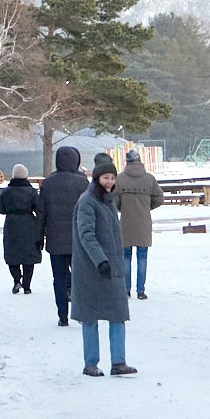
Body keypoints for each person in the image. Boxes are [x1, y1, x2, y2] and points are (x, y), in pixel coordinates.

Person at [71, 157, 136, 376]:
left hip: (112, 268)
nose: (109, 182)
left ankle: (119, 362)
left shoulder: (108, 200)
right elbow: (86, 234)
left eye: (112, 178)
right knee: (90, 316)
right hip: (92, 268)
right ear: (96, 178)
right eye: (105, 178)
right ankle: (90, 363)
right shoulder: (88, 201)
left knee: (117, 314)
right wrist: (100, 260)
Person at [39, 145, 89, 327]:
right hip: (79, 239)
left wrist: (39, 238)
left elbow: (41, 213)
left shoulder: (49, 183)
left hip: (55, 239)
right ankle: (82, 313)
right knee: (80, 277)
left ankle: (62, 315)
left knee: (58, 278)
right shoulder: (83, 183)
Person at [116, 149, 161, 298]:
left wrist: (122, 208)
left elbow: (114, 201)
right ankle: (141, 291)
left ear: (126, 162)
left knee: (126, 257)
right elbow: (159, 198)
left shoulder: (120, 179)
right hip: (143, 223)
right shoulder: (149, 179)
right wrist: (146, 207)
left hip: (126, 224)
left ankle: (126, 289)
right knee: (142, 257)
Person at [0, 164, 43, 295]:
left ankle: (17, 280)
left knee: (13, 254)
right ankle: (27, 286)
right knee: (29, 256)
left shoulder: (6, 191)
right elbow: (38, 208)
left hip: (11, 225)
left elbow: (0, 209)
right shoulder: (31, 191)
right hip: (29, 224)